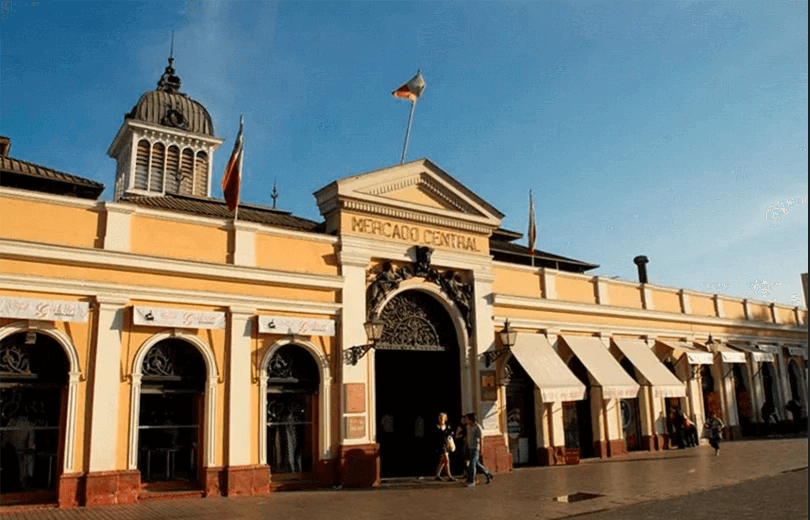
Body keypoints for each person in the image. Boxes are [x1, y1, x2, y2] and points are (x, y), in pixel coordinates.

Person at [463, 413, 493, 487]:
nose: (465, 420)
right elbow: (468, 436)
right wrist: (466, 445)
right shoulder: (468, 427)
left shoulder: (477, 427)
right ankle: (488, 474)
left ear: (470, 419)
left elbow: (481, 438)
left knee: (472, 465)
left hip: (475, 448)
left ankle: (472, 481)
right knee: (477, 464)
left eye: (467, 419)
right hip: (470, 447)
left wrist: (481, 449)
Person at [433, 413, 455, 481]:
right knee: (447, 460)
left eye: (442, 418)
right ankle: (449, 476)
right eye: (440, 418)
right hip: (440, 445)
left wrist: (451, 443)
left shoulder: (448, 426)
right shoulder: (437, 426)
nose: (441, 419)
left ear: (445, 419)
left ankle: (437, 475)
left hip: (446, 445)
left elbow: (449, 436)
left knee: (443, 461)